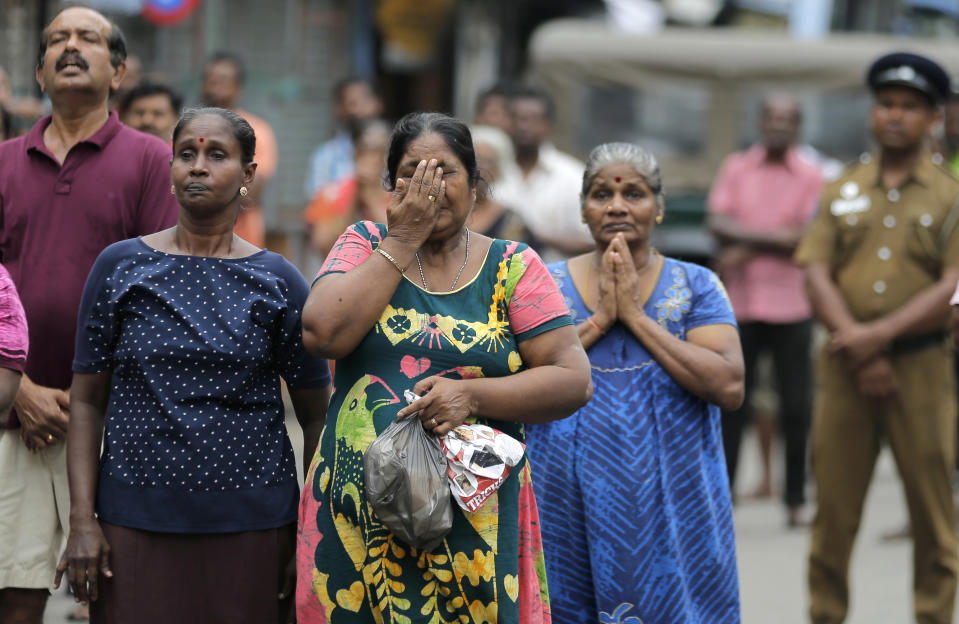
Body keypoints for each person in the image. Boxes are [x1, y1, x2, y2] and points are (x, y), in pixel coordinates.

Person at [296, 112, 592, 622]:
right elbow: (322, 332)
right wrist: (402, 239)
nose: (429, 185)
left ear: (476, 184)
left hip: (475, 522)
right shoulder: (364, 243)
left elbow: (572, 378)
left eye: (446, 171)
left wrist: (474, 397)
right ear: (391, 185)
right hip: (359, 515)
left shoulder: (512, 266)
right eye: (413, 171)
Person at [54, 107, 332, 623]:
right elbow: (87, 401)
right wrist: (82, 521)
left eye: (216, 155)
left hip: (252, 523)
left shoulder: (278, 280)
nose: (197, 167)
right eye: (186, 155)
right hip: (133, 519)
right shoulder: (121, 266)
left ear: (248, 174)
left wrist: (307, 533)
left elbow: (318, 416)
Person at [0, 8, 178, 623]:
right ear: (39, 72)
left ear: (120, 69)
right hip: (12, 420)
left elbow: (160, 292)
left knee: (116, 599)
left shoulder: (154, 160)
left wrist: (85, 399)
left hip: (113, 424)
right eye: (57, 40)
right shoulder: (1, 162)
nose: (71, 47)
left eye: (89, 39)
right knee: (15, 603)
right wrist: (17, 389)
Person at [525, 142, 745, 624]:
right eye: (601, 195)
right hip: (561, 491)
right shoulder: (543, 283)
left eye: (635, 195)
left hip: (670, 494)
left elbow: (729, 385)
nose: (617, 206)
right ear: (583, 210)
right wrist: (602, 318)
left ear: (660, 207)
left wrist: (638, 319)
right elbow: (520, 378)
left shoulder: (697, 285)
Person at [796, 52, 959, 624]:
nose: (895, 116)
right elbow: (815, 270)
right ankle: (826, 614)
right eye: (887, 104)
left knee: (934, 513)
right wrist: (858, 345)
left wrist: (879, 337)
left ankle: (935, 616)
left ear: (933, 118)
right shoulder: (840, 189)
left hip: (922, 370)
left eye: (911, 107)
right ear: (873, 111)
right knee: (834, 512)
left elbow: (954, 283)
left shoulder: (949, 196)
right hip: (844, 372)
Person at [707, 93, 824, 527]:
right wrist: (779, 236)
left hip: (793, 304)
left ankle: (795, 500)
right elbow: (716, 223)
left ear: (798, 126)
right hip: (742, 304)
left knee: (798, 405)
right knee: (732, 404)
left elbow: (808, 238)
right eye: (771, 116)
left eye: (787, 118)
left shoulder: (813, 175)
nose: (778, 124)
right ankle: (725, 497)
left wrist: (747, 243)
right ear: (759, 121)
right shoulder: (736, 167)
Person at [494, 85, 594, 262]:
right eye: (517, 118)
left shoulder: (573, 176)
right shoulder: (492, 172)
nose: (523, 126)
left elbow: (592, 241)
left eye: (533, 119)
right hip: (496, 285)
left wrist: (536, 237)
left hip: (555, 284)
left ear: (548, 125)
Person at [202, 51, 277, 247]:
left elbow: (250, 192)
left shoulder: (257, 131)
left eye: (223, 80)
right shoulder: (185, 132)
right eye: (211, 80)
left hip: (243, 244)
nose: (215, 86)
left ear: (239, 88)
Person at [304, 118, 392, 258]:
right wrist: (354, 195)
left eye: (380, 151)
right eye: (366, 151)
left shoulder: (400, 194)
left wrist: (370, 198)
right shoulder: (330, 193)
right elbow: (323, 246)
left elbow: (397, 245)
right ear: (355, 154)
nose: (372, 159)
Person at [303, 77, 383, 200]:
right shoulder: (324, 156)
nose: (361, 109)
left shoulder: (396, 153)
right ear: (339, 109)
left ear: (378, 104)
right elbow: (319, 209)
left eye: (366, 101)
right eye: (353, 103)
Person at [468, 124, 535, 245]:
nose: (479, 167)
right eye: (474, 159)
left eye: (488, 162)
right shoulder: (445, 212)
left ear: (499, 170)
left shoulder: (511, 221)